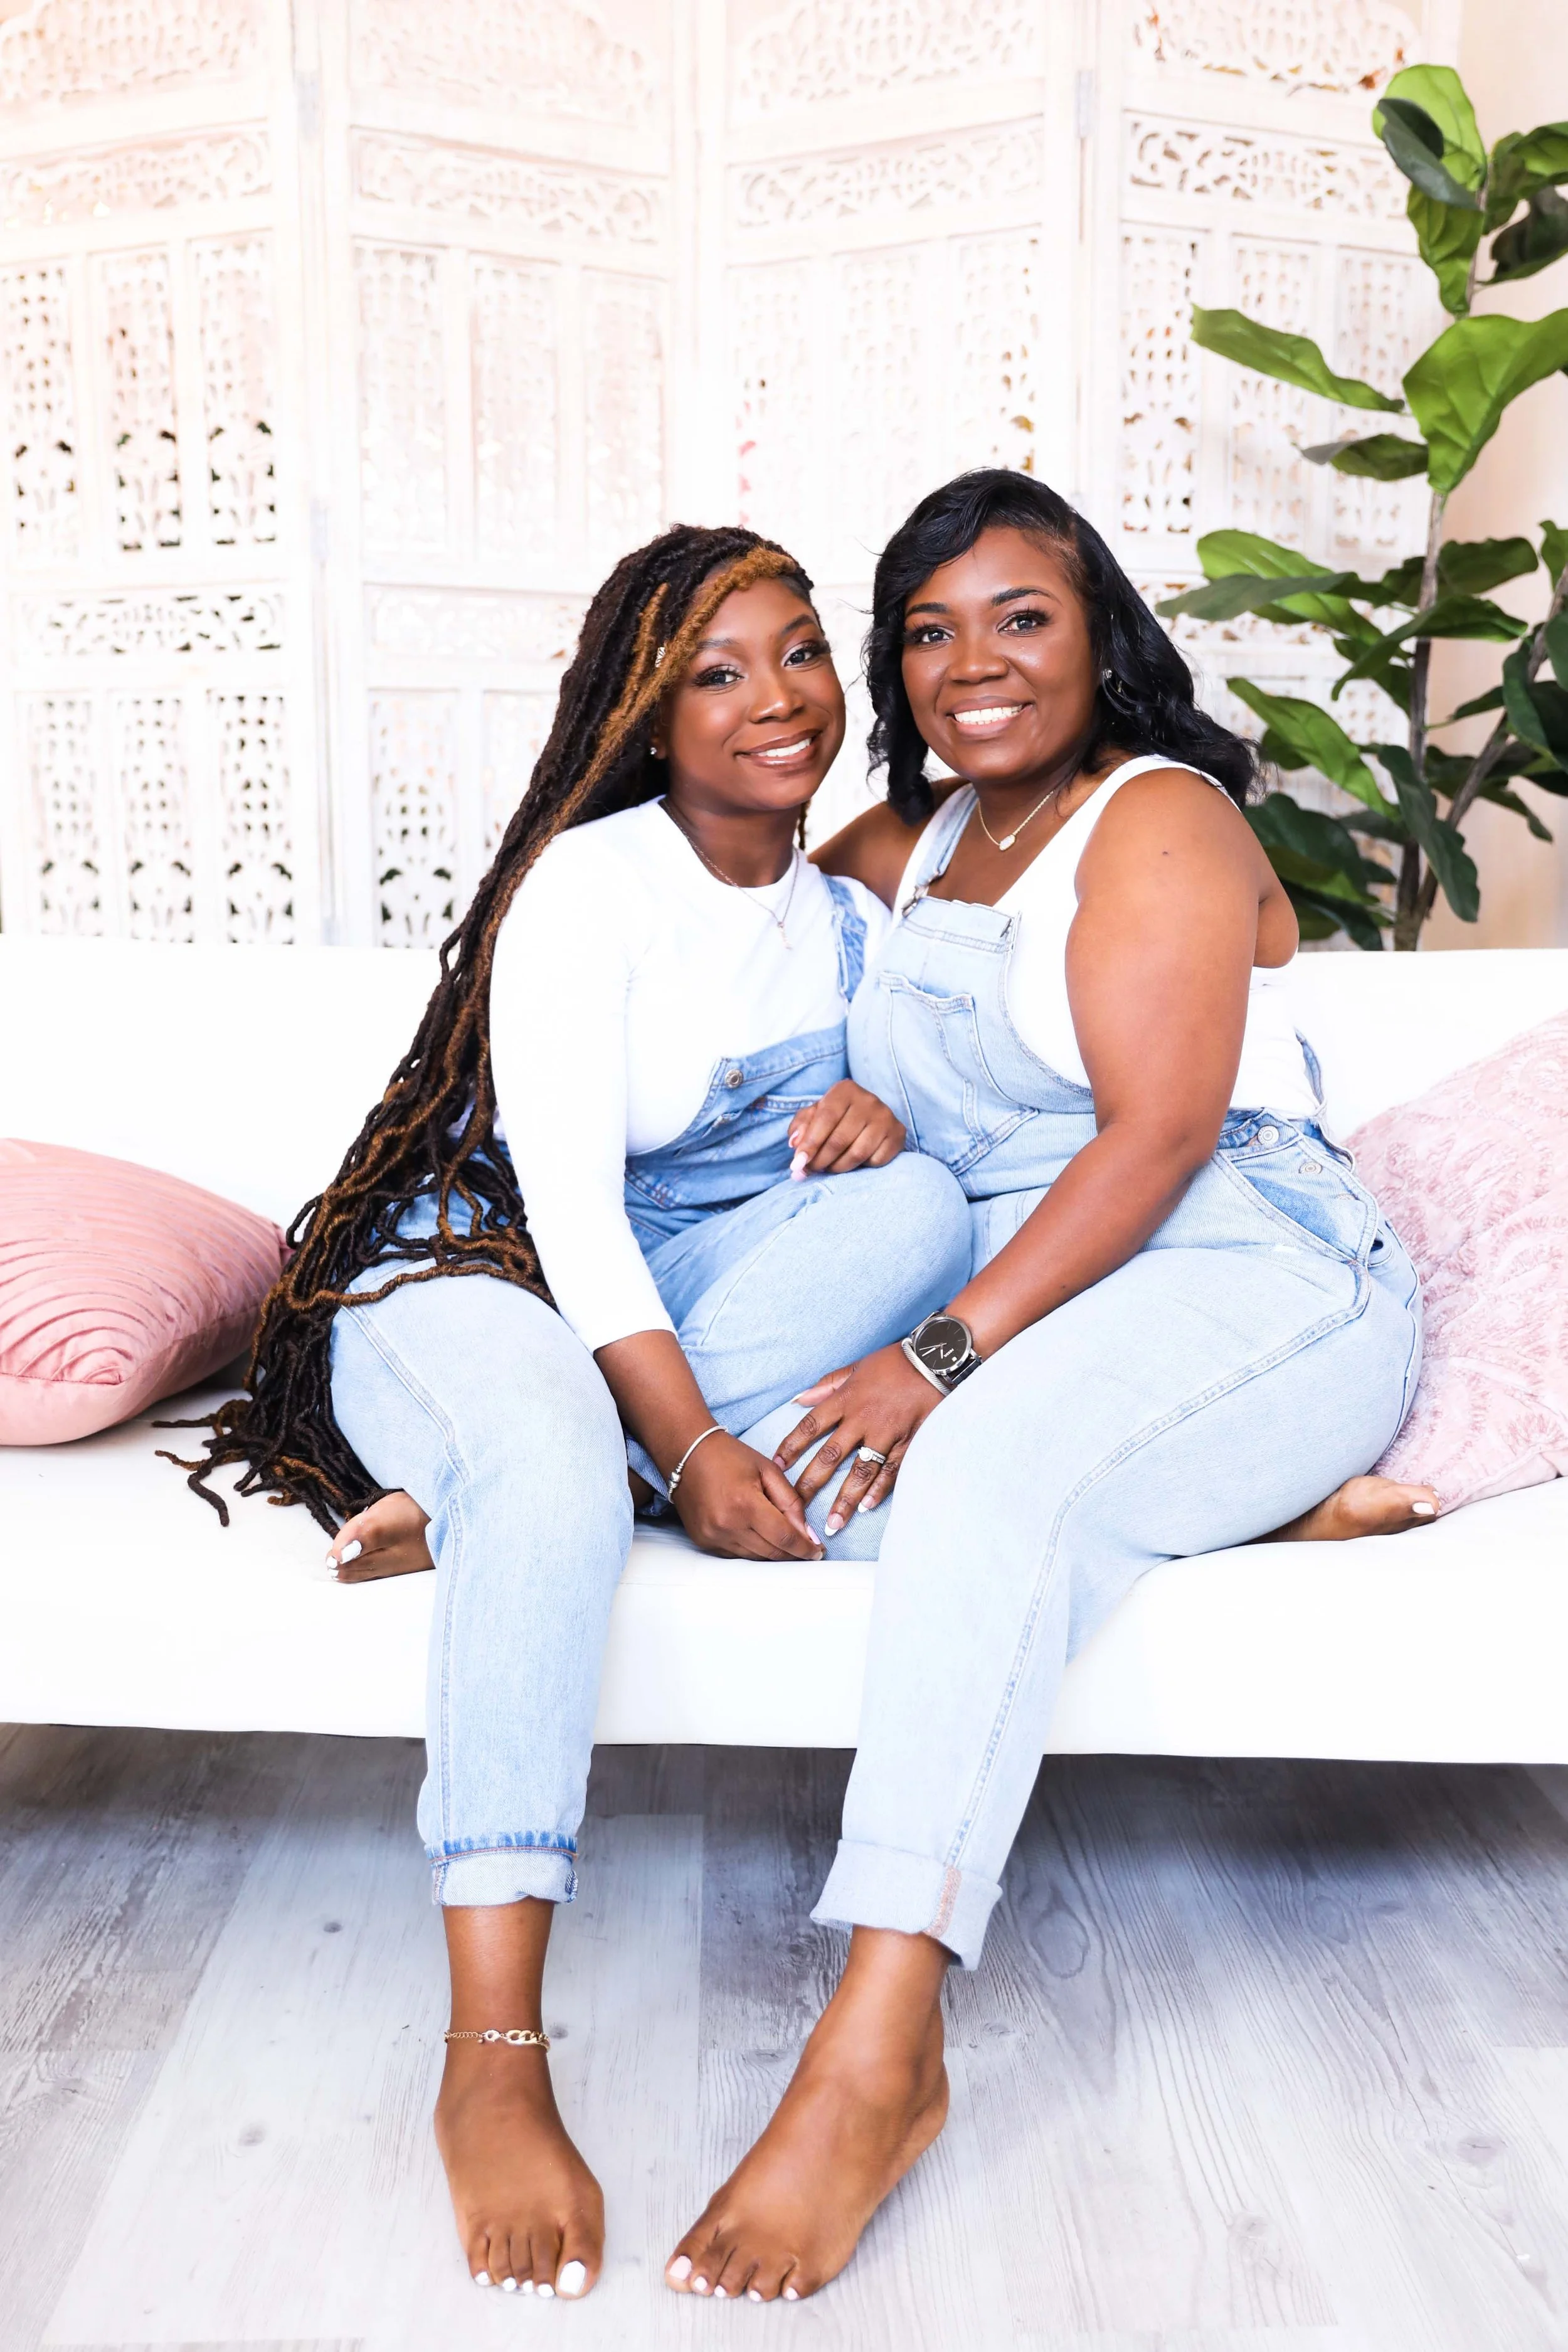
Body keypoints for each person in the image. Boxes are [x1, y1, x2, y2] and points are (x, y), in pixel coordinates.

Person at [168, 524, 972, 2303]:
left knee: (924, 1214)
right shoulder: (590, 886)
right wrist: (689, 1447)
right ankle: (491, 2056)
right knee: (549, 1450)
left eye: (799, 652)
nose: (776, 697)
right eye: (714, 669)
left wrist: (876, 1121)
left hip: (682, 1287)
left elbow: (1226, 925)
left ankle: (528, 1489)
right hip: (469, 1265)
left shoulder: (850, 916)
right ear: (643, 707)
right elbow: (583, 1217)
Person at [659, 470, 1428, 2305]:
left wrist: (935, 1358)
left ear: (1099, 636)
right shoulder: (912, 842)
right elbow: (698, 865)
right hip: (1054, 1310)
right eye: (927, 629)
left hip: (1244, 1262)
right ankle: (1226, 1497)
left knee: (984, 1478)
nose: (971, 662)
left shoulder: (1155, 819)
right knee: (768, 1469)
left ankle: (879, 2040)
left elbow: (1155, 1138)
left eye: (1021, 616)